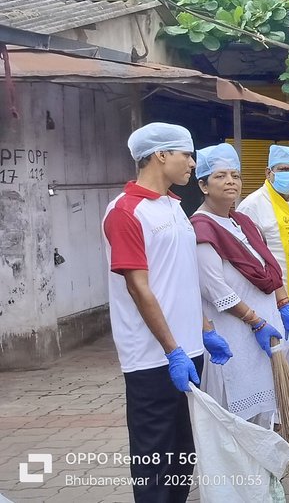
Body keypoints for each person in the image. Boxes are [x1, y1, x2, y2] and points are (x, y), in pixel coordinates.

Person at [103, 123, 231, 501]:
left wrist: (203, 328)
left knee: (182, 452)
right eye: (186, 155)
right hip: (152, 357)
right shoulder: (125, 211)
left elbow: (182, 278)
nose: (193, 163)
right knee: (155, 457)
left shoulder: (174, 206)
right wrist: (172, 349)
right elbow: (138, 287)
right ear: (161, 155)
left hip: (188, 348)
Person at [190, 143, 284, 427]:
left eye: (235, 174)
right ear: (204, 185)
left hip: (260, 330)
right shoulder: (201, 227)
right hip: (232, 331)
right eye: (220, 176)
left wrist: (283, 304)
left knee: (263, 409)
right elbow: (215, 289)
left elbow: (268, 266)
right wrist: (255, 321)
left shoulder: (243, 222)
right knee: (234, 413)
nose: (231, 181)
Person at [237, 145, 289, 395]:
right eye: (284, 169)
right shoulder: (253, 206)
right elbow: (251, 260)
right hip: (274, 300)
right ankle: (275, 422)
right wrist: (279, 302)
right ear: (268, 172)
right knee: (275, 363)